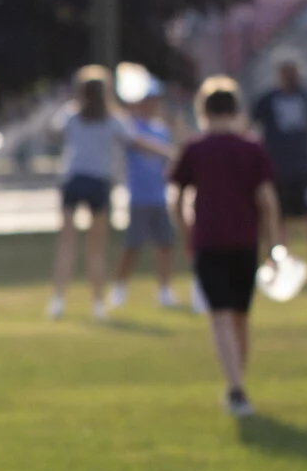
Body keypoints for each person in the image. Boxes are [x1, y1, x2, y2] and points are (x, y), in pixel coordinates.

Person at [169, 77, 279, 417]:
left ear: (203, 110)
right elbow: (267, 201)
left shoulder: (195, 149)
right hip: (245, 241)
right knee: (241, 317)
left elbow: (176, 197)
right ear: (235, 109)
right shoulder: (251, 149)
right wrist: (273, 245)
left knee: (220, 316)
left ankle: (236, 387)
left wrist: (186, 230)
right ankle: (237, 385)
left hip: (210, 241)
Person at [45, 66, 122, 320]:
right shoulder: (112, 119)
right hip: (98, 183)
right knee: (96, 249)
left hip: (73, 181)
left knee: (67, 245)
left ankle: (58, 301)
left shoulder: (71, 115)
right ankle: (98, 304)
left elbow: (52, 132)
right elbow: (135, 140)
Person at [250, 55, 307, 288]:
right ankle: (281, 271)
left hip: (301, 169)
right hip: (276, 169)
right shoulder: (266, 100)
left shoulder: (305, 97)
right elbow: (252, 130)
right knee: (276, 222)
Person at [113, 75, 179, 309]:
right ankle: (119, 288)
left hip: (159, 196)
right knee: (133, 245)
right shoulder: (130, 127)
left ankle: (164, 290)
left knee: (165, 244)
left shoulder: (161, 129)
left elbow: (166, 166)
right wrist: (169, 152)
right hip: (139, 197)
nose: (152, 104)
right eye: (148, 99)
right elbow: (137, 143)